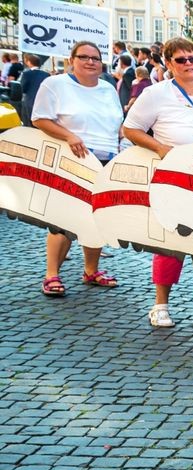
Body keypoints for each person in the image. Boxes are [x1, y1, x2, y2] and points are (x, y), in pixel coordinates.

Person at [124, 37, 193, 328]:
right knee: (171, 243)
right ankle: (160, 304)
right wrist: (160, 149)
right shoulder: (156, 94)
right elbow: (130, 128)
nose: (189, 64)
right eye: (181, 60)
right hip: (176, 180)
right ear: (168, 63)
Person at [31, 41, 123, 297]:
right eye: (84, 57)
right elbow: (39, 118)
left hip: (105, 160)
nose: (91, 62)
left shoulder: (108, 89)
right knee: (63, 218)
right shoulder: (55, 84)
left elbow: (117, 123)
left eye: (95, 58)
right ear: (72, 59)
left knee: (96, 217)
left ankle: (91, 270)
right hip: (72, 159)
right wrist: (69, 136)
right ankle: (51, 274)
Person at [16, 54, 50, 128]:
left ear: (29, 62)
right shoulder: (46, 74)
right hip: (43, 104)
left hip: (29, 102)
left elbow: (22, 88)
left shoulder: (26, 74)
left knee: (28, 127)